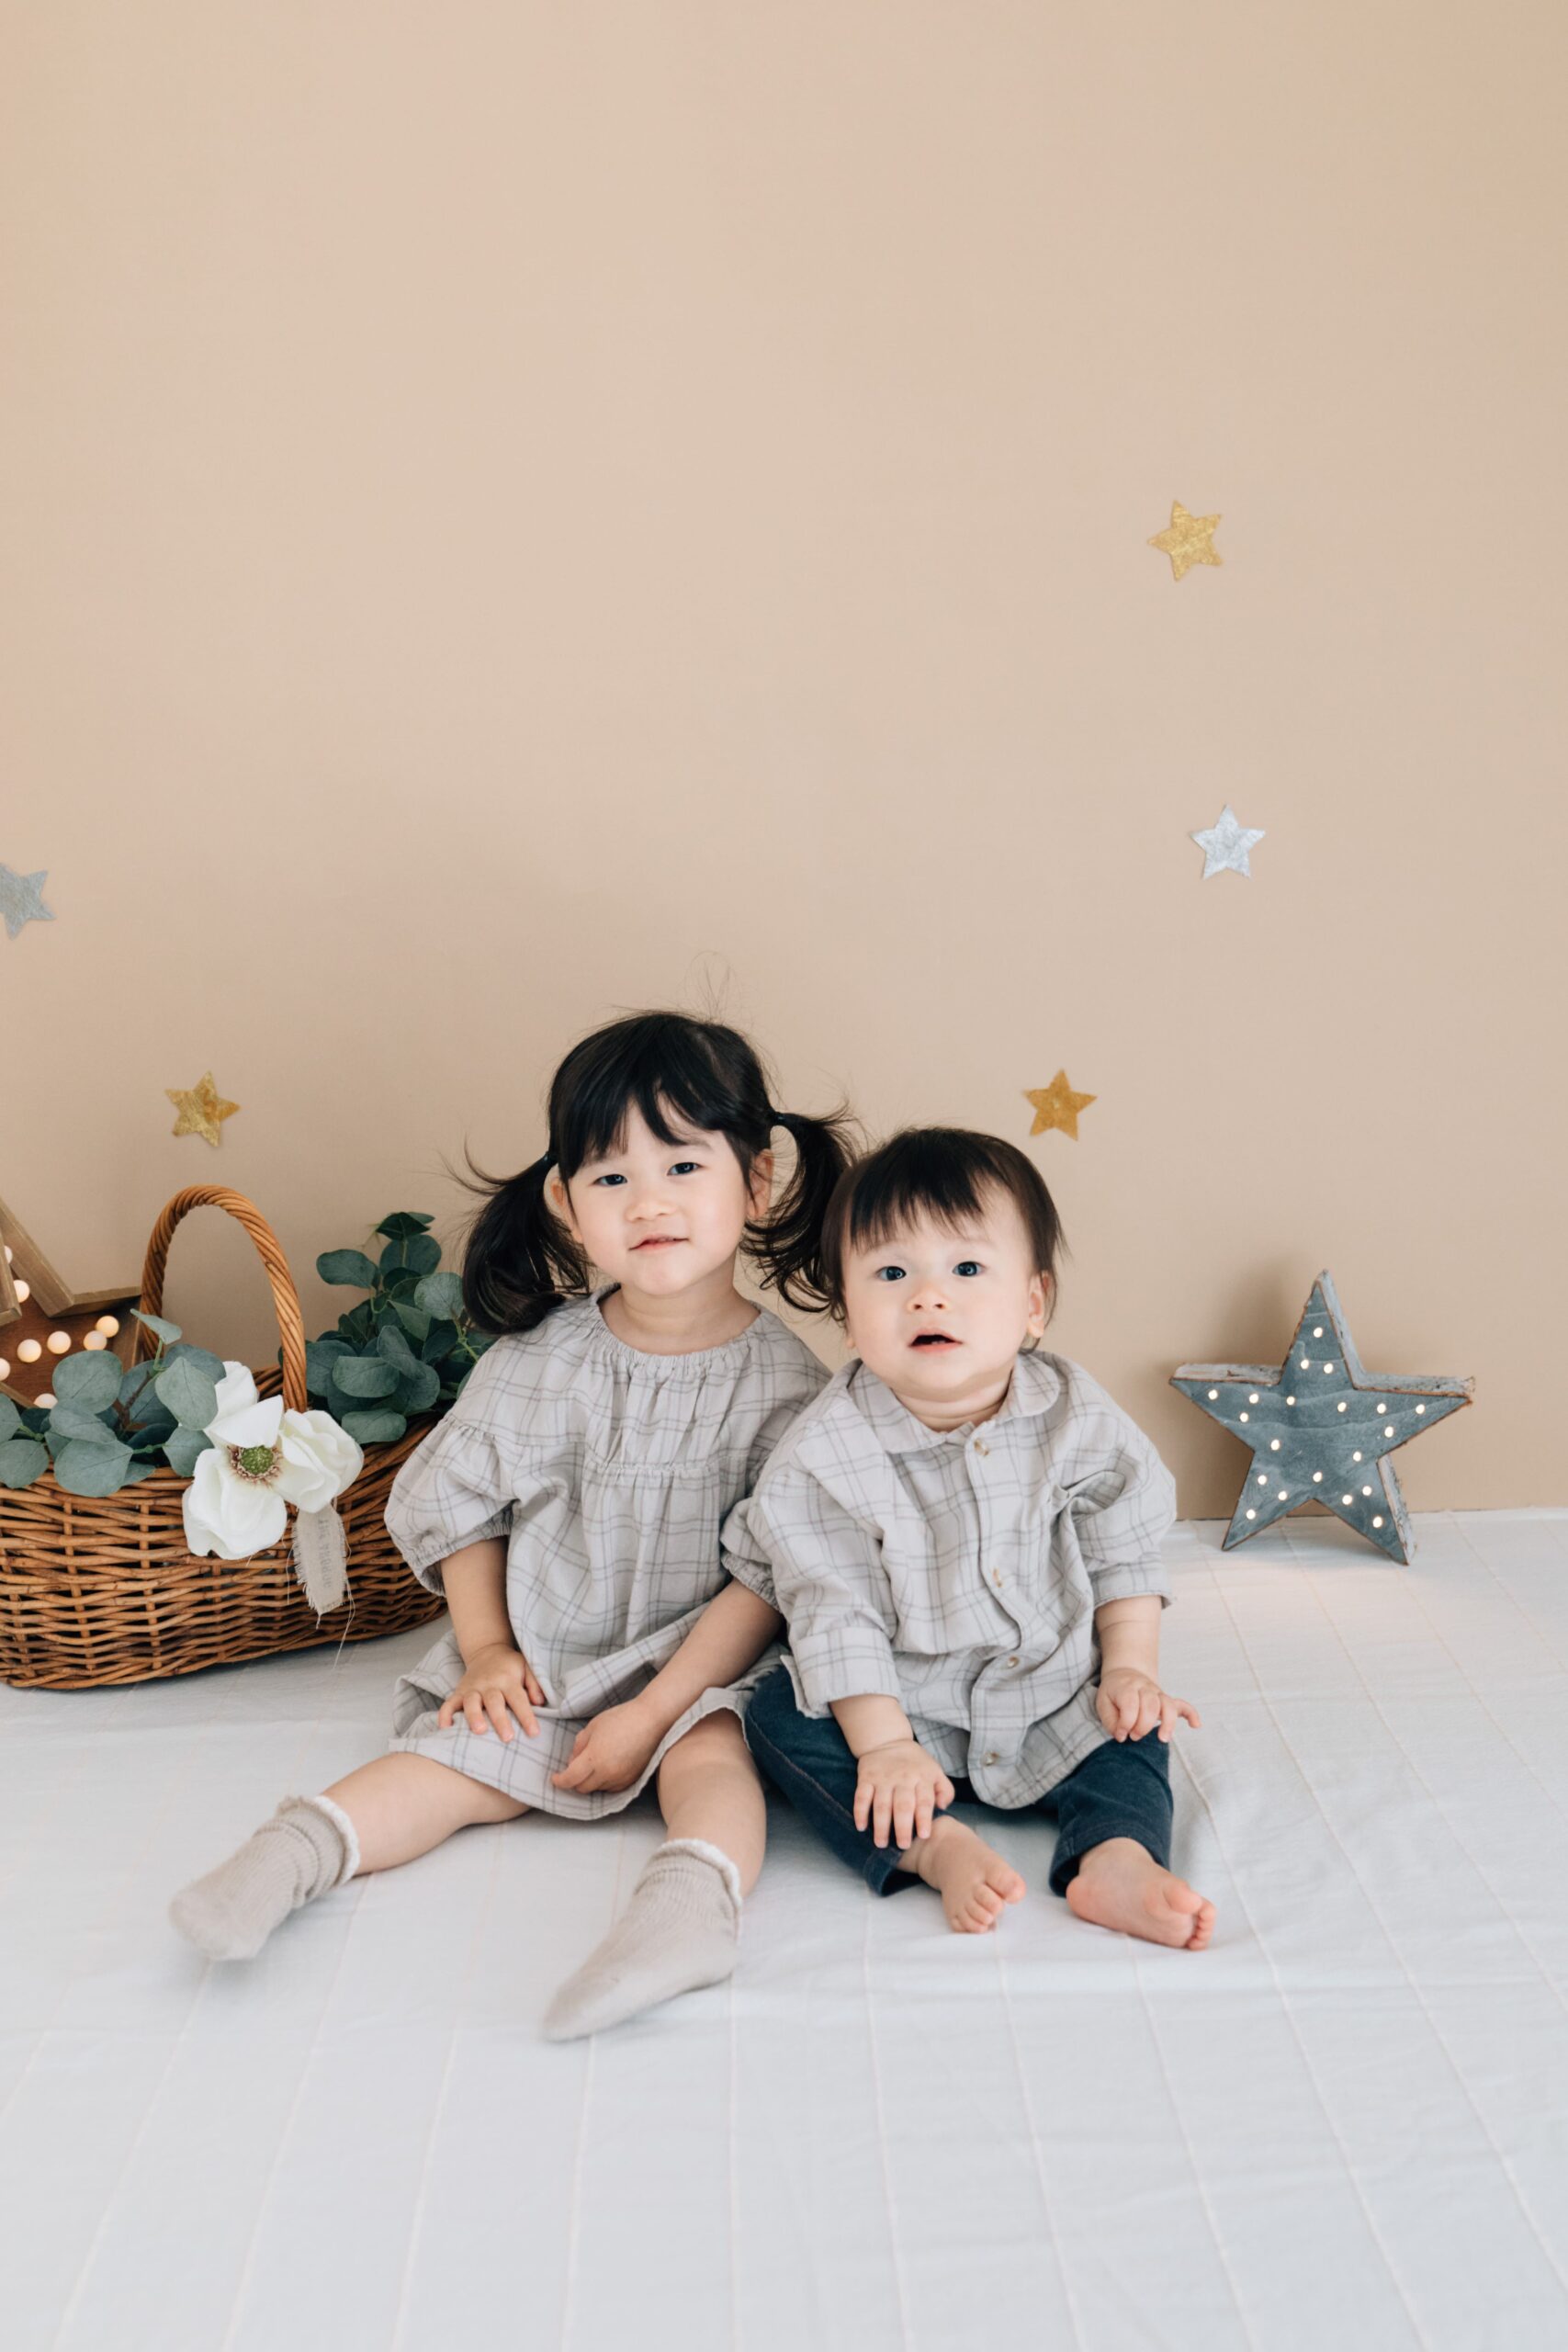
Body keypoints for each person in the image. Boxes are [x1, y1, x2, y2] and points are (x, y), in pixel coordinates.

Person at [169, 1010, 854, 2036]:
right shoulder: (541, 1359)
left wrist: (651, 1712)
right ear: (566, 1204)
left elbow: (765, 1579)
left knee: (713, 1756)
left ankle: (688, 1914)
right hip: (549, 1647)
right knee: (454, 1755)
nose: (649, 1202)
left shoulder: (789, 1387)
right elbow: (464, 1509)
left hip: (695, 1667)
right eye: (611, 1177)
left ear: (756, 1182)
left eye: (682, 1166)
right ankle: (291, 1856)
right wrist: (489, 1651)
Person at [726, 1126, 1216, 1948]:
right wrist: (884, 1746)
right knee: (778, 1716)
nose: (928, 1297)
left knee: (1133, 1731)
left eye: (965, 1269)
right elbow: (836, 1615)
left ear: (1032, 1304)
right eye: (890, 1274)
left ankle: (1116, 1856)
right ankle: (929, 1845)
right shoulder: (820, 1457)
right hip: (900, 1703)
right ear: (847, 1318)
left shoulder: (1075, 1415)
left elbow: (1121, 1545)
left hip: (1051, 1688)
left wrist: (1130, 1669)